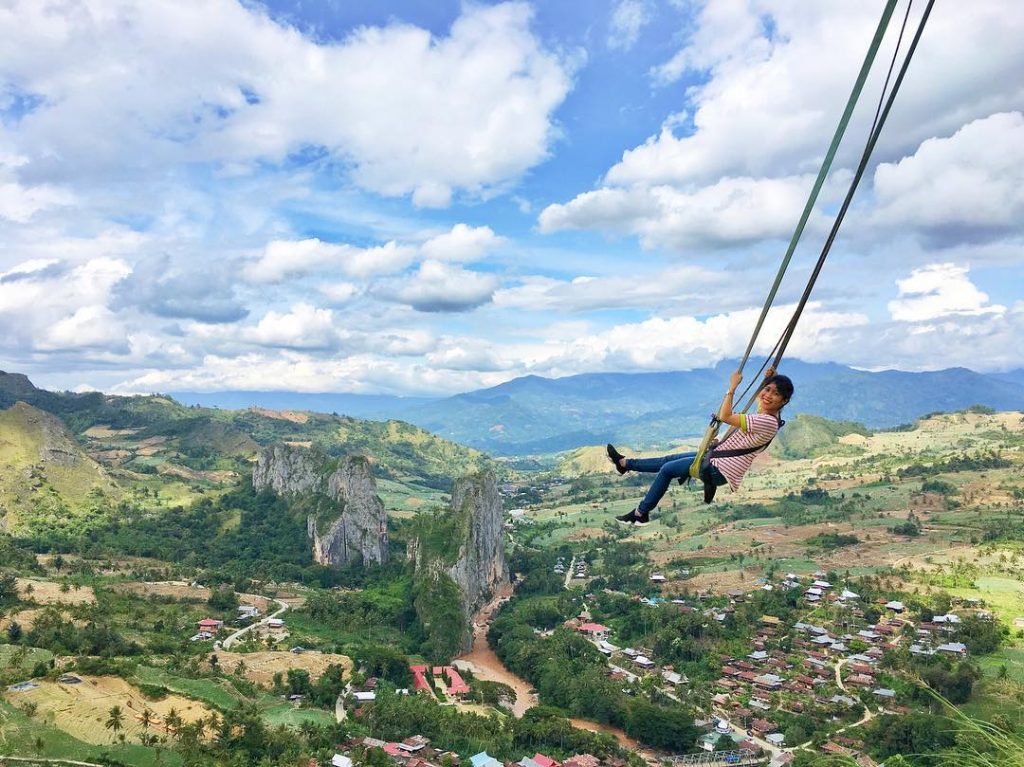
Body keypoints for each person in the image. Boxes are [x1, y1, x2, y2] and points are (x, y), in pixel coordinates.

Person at [607, 370, 794, 525]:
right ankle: (624, 463)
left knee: (666, 470)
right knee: (669, 460)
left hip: (718, 469)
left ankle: (641, 513)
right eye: (767, 390)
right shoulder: (767, 416)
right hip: (716, 458)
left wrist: (732, 387)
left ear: (784, 401)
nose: (768, 395)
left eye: (775, 394)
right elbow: (762, 403)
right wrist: (768, 378)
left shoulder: (767, 422)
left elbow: (726, 416)